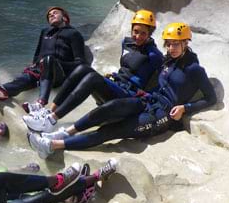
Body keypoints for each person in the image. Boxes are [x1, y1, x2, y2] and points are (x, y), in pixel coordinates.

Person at [28, 22, 217, 158]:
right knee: (109, 109)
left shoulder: (195, 69)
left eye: (176, 43)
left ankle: (53, 145)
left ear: (186, 43)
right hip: (148, 100)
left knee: (110, 131)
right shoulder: (169, 61)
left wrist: (186, 108)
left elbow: (211, 99)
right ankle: (64, 132)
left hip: (162, 115)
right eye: (168, 44)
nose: (171, 48)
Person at [23, 9, 164, 133]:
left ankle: (51, 121)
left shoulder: (155, 55)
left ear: (150, 34)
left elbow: (162, 81)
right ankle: (48, 111)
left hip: (127, 96)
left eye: (143, 34)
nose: (138, 36)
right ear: (132, 29)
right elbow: (125, 68)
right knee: (83, 68)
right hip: (116, 86)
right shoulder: (126, 43)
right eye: (136, 31)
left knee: (93, 78)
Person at [0, 6, 87, 107]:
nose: (51, 15)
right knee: (23, 80)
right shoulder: (45, 32)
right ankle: (2, 90)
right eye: (49, 15)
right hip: (40, 71)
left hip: (58, 73)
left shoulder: (73, 34)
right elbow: (37, 54)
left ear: (64, 17)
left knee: (48, 60)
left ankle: (41, 102)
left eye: (55, 13)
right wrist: (34, 64)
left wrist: (57, 63)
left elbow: (80, 62)